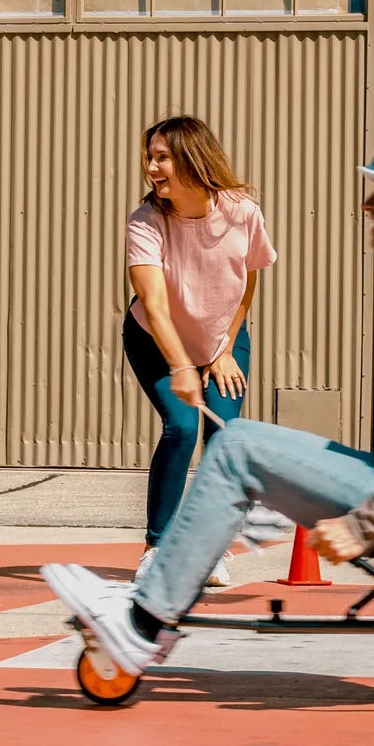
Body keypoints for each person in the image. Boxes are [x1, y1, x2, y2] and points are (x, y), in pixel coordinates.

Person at [45, 130, 374, 678]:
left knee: (235, 447)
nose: (368, 205)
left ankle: (141, 624)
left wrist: (365, 526)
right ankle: (239, 530)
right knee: (243, 444)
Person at [122, 117, 278, 590]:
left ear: (192, 157)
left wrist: (225, 347)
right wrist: (180, 366)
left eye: (162, 157)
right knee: (182, 426)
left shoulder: (242, 212)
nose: (151, 167)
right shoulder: (146, 223)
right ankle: (157, 548)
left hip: (222, 342)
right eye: (150, 157)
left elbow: (248, 281)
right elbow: (153, 303)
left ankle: (208, 549)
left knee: (223, 437)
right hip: (156, 340)